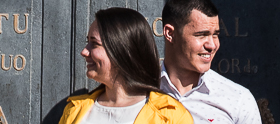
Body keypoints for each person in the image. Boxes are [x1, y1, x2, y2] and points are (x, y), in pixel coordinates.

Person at [56, 8, 195, 124]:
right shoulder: (73, 111)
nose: (84, 51)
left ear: (122, 51)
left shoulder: (170, 116)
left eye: (95, 44)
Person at [158, 0, 261, 124]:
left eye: (215, 35)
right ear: (170, 34)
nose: (212, 45)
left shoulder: (239, 100)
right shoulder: (137, 92)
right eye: (201, 35)